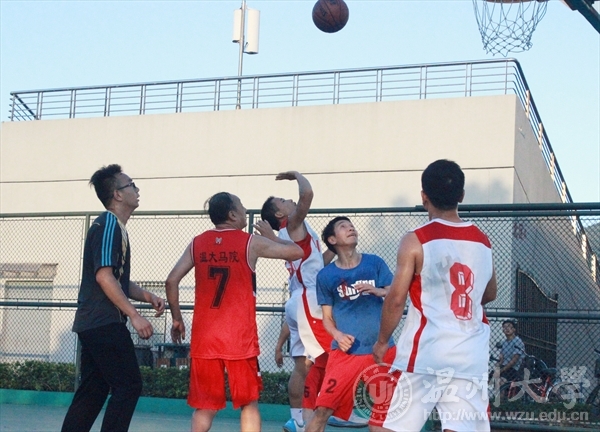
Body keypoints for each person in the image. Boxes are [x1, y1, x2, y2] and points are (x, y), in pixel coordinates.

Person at [372, 159, 498, 432]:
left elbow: (396, 299)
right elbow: (489, 293)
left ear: (423, 196)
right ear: (461, 196)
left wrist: (382, 341)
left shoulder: (416, 239)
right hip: (469, 353)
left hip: (426, 349)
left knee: (385, 426)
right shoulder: (483, 241)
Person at [165, 192, 303, 432]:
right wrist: (272, 237)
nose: (244, 210)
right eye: (241, 206)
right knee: (249, 403)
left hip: (205, 338)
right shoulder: (249, 242)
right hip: (239, 338)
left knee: (204, 406)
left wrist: (177, 318)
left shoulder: (197, 243)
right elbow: (297, 252)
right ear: (232, 214)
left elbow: (171, 281)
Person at [61, 164, 166, 432]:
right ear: (118, 194)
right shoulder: (109, 224)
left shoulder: (114, 226)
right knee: (128, 385)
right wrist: (134, 315)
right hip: (103, 322)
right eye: (131, 184)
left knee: (94, 390)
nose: (137, 189)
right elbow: (104, 277)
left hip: (93, 323)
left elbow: (116, 278)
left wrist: (147, 296)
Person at [305, 216, 396, 432]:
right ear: (332, 240)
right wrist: (337, 335)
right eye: (343, 226)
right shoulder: (326, 275)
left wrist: (379, 291)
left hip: (381, 350)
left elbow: (396, 292)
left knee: (382, 421)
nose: (350, 228)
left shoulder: (374, 263)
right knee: (322, 412)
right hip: (345, 354)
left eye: (351, 225)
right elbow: (327, 318)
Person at [260, 171, 335, 432]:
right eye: (283, 200)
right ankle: (327, 410)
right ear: (280, 213)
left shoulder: (292, 232)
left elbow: (317, 264)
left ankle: (298, 419)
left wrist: (335, 248)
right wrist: (296, 175)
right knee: (331, 357)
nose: (289, 200)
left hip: (299, 299)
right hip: (309, 300)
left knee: (303, 367)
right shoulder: (292, 225)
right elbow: (307, 195)